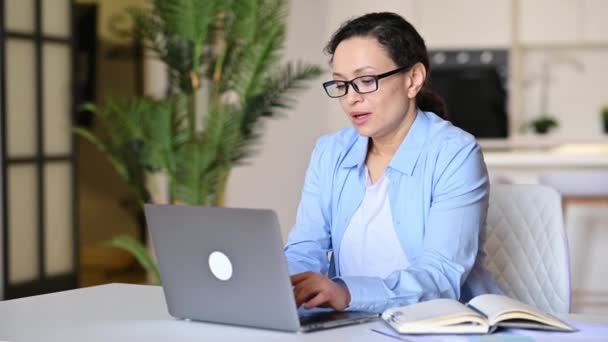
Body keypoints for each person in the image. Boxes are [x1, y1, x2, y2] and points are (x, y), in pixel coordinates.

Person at [285, 12, 499, 314]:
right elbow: (305, 249)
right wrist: (284, 287)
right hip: (348, 326)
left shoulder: (454, 153)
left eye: (365, 80)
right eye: (341, 84)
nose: (351, 98)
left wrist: (346, 293)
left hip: (438, 326)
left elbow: (440, 276)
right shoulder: (330, 152)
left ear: (413, 79)